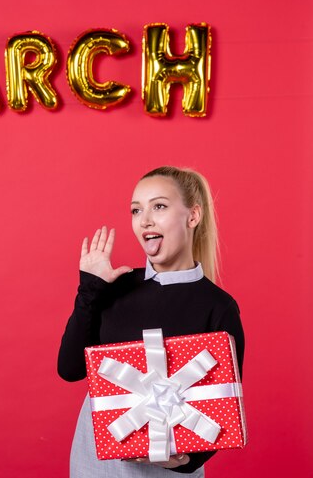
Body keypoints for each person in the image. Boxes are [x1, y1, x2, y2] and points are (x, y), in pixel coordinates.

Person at [57, 166, 245, 477]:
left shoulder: (218, 306)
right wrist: (90, 287)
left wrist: (183, 461)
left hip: (168, 464)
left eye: (159, 206)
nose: (145, 220)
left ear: (193, 216)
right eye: (136, 210)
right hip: (97, 458)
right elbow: (70, 369)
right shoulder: (116, 287)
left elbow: (223, 405)